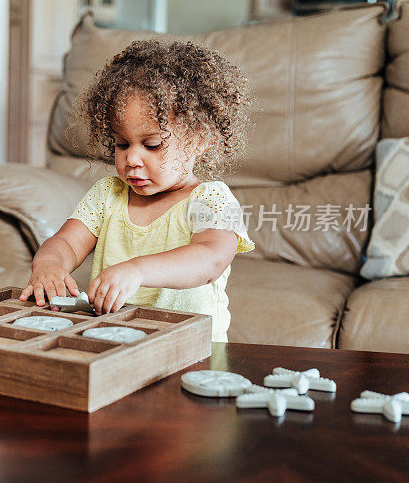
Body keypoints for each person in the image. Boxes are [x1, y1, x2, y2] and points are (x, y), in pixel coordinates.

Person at [19, 39, 255, 342]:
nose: (131, 158)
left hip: (192, 352)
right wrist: (49, 265)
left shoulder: (211, 199)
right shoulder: (107, 194)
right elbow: (66, 242)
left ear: (200, 140)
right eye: (121, 144)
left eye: (152, 145)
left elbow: (210, 259)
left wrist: (138, 271)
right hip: (114, 344)